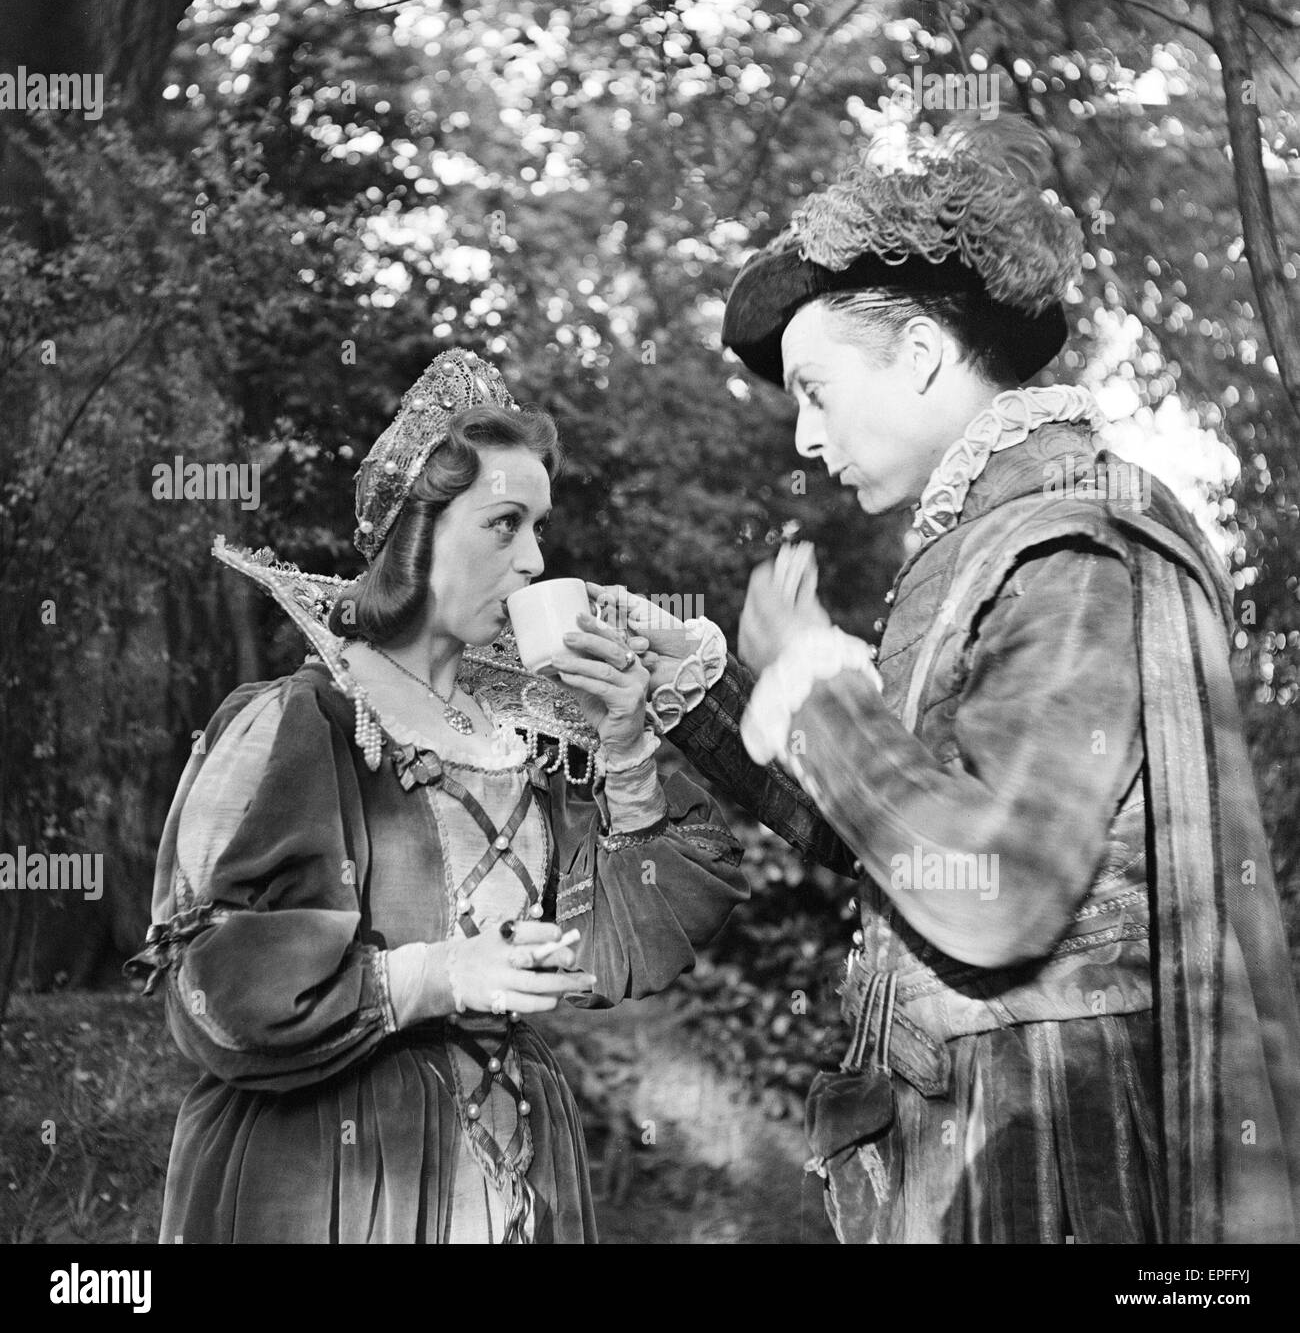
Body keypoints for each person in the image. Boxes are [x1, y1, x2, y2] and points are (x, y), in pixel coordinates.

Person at [599, 116, 1300, 1243]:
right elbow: (890, 844)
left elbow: (991, 892)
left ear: (921, 353)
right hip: (973, 1150)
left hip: (1057, 1173)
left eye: (816, 389)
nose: (805, 439)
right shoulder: (982, 543)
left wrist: (818, 698)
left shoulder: (1070, 543)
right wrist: (698, 691)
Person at [127, 348, 746, 1244]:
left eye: (538, 526)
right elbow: (220, 984)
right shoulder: (306, 722)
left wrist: (626, 744)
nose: (535, 558)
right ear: (415, 536)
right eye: (504, 524)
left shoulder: (536, 737)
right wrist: (446, 971)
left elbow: (627, 945)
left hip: (518, 1168)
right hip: (340, 1175)